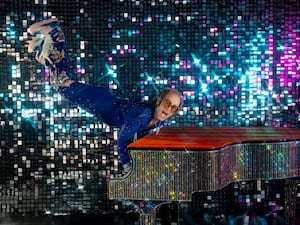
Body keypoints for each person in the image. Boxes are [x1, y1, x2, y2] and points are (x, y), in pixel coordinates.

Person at [27, 18, 183, 175]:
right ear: (158, 101)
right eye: (167, 104)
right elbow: (123, 140)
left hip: (102, 103)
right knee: (62, 84)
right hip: (100, 101)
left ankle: (44, 50)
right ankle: (55, 34)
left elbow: (138, 140)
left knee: (61, 84)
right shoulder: (141, 115)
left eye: (174, 108)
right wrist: (129, 168)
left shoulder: (153, 121)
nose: (169, 110)